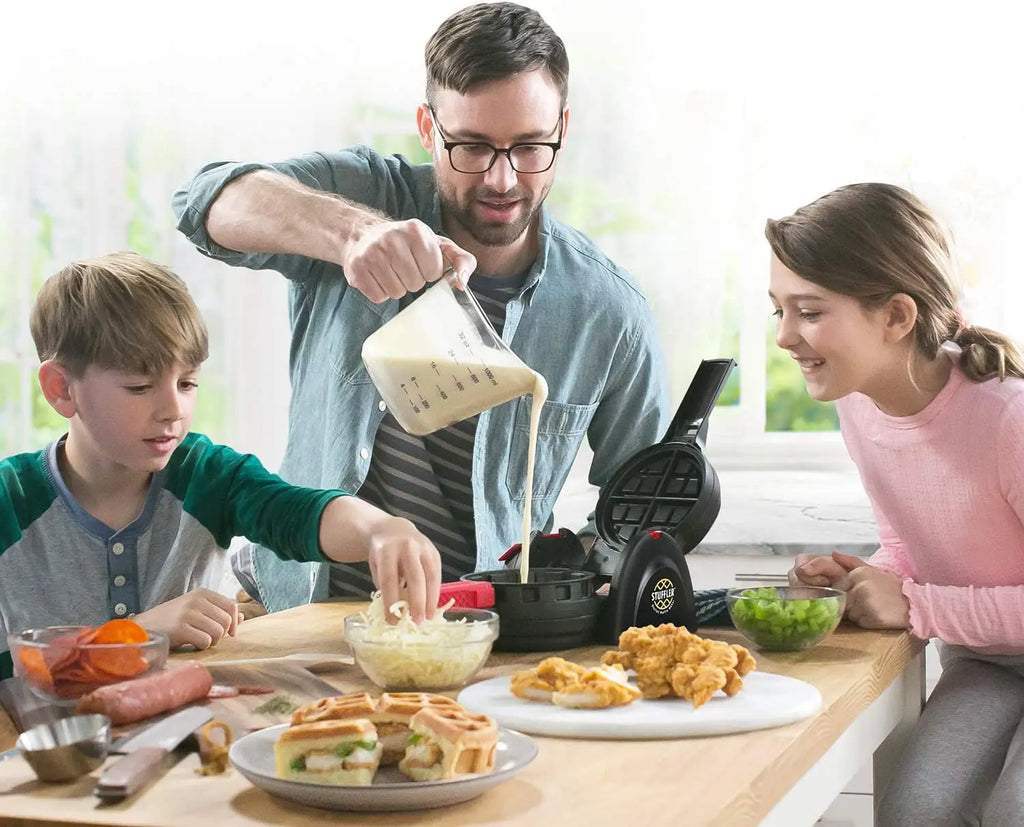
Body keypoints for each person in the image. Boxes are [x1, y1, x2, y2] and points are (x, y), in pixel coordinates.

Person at [171, 1, 670, 613]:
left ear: (561, 129)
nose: (502, 179)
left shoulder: (609, 311)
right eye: (472, 147)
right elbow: (203, 201)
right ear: (429, 128)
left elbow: (646, 504)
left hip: (479, 629)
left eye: (529, 146)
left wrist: (569, 583)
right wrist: (351, 233)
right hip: (298, 607)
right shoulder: (365, 193)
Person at [0, 252, 442, 680]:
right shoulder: (9, 502)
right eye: (139, 387)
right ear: (61, 389)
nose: (173, 410)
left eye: (187, 383)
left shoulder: (205, 474)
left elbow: (295, 513)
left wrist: (380, 529)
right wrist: (138, 634)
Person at [766, 182, 1024, 825]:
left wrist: (915, 605)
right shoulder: (859, 405)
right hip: (988, 661)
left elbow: (923, 595)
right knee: (914, 812)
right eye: (779, 311)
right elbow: (911, 541)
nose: (785, 337)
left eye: (809, 312)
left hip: (986, 648)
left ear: (897, 317)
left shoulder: (1008, 420)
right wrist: (866, 581)